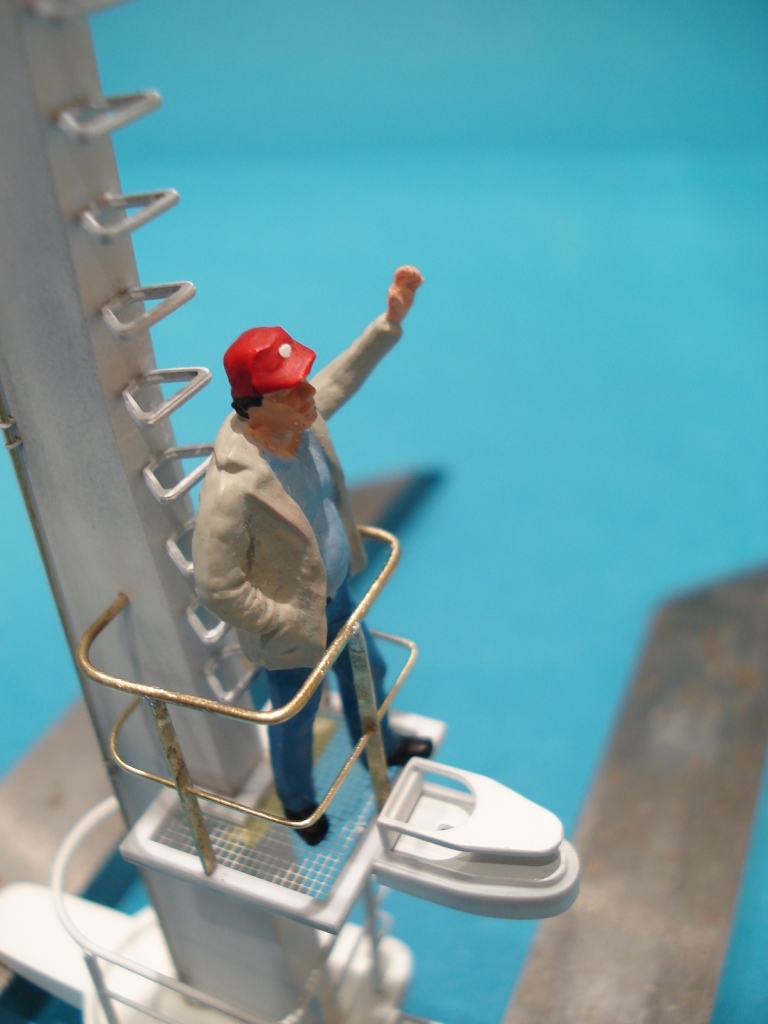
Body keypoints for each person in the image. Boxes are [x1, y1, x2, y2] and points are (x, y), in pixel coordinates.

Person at [192, 267, 432, 844]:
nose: (309, 396)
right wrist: (279, 619)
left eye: (303, 383)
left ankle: (379, 745)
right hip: (293, 623)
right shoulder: (232, 489)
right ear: (254, 407)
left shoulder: (303, 424)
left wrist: (388, 324)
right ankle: (298, 801)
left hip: (339, 595)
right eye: (291, 391)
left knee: (368, 672)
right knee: (295, 716)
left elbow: (343, 375)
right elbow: (217, 583)